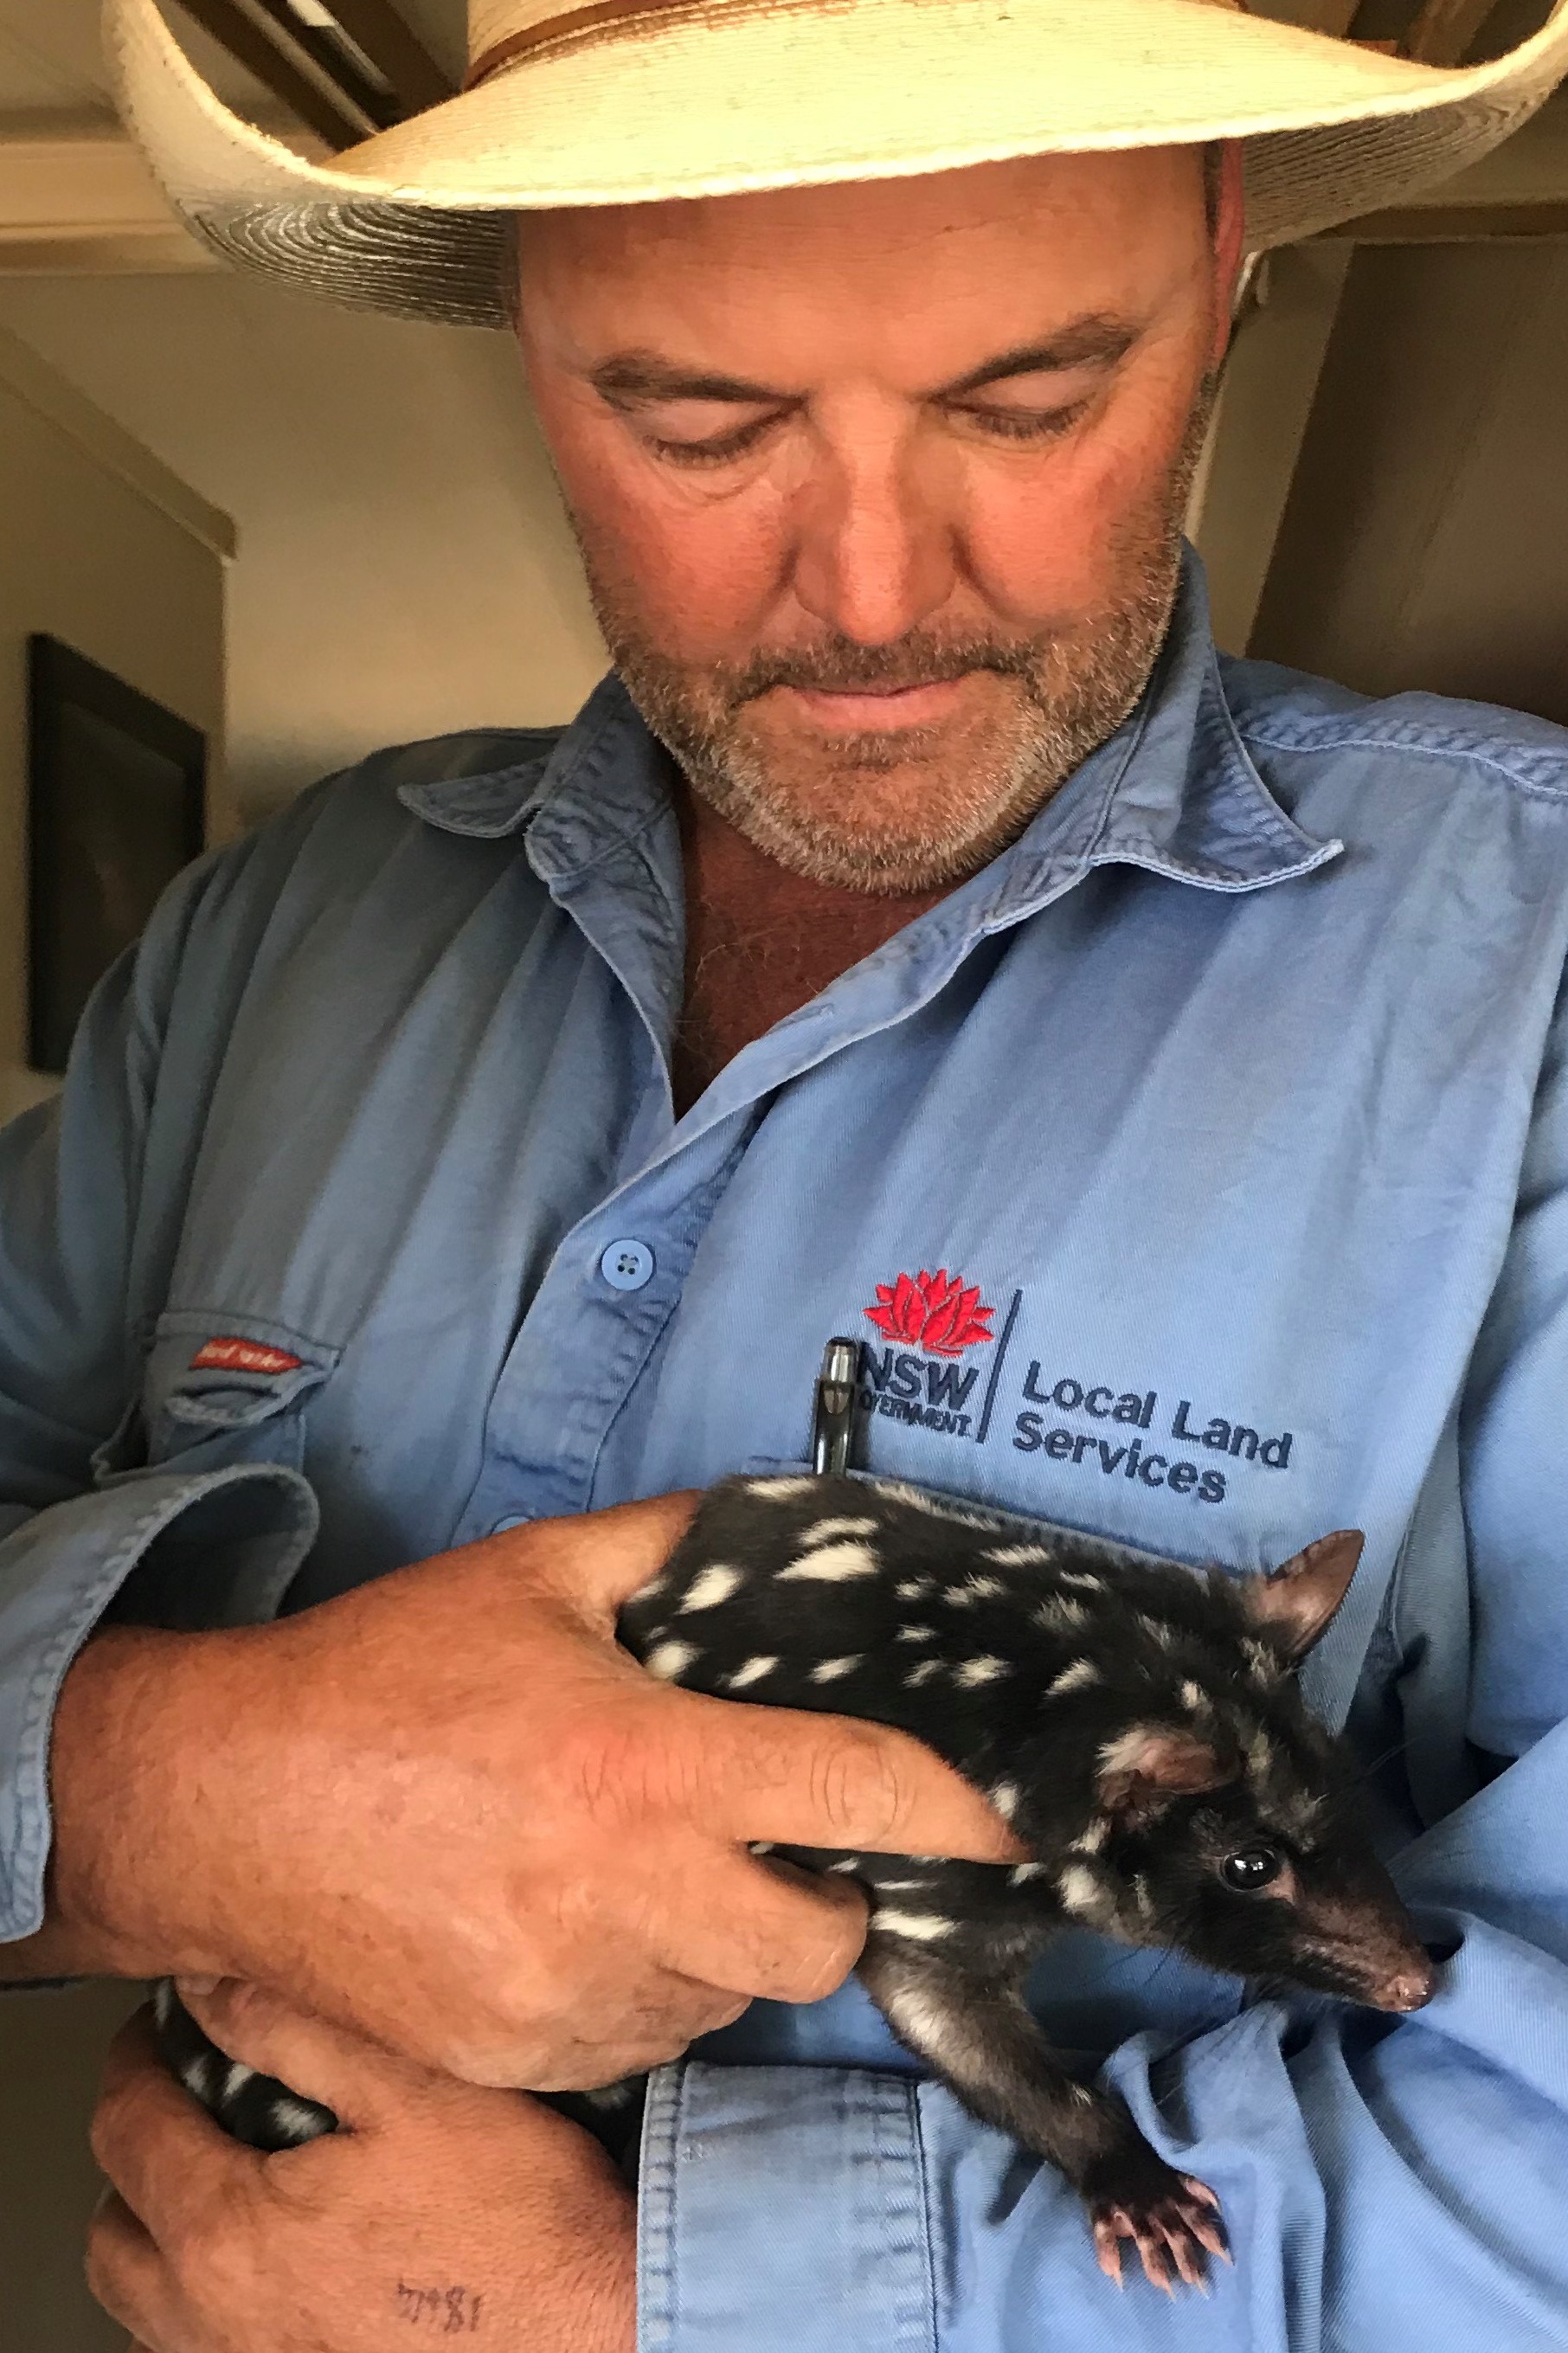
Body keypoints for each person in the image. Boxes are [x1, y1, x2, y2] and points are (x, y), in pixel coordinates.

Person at [5, 0, 1568, 2343]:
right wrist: (144, 1786)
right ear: (527, 316)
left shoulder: (1524, 992)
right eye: (695, 418)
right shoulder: (271, 935)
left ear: (1224, 255)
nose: (864, 593)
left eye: (1025, 401)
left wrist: (651, 2302)